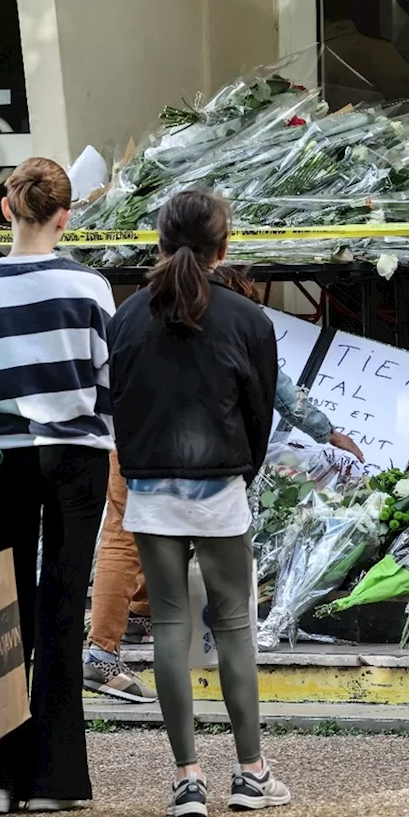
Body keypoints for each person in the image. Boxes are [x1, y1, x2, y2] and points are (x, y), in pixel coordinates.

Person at [83, 270, 363, 704]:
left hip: (132, 439)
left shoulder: (142, 307)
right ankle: (101, 651)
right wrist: (328, 433)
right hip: (197, 452)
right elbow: (281, 392)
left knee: (127, 534)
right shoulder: (235, 320)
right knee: (137, 539)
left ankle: (137, 615)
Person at [109, 189, 289, 817]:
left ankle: (187, 778)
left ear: (157, 243)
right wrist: (242, 467)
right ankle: (251, 771)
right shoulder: (249, 320)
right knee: (235, 625)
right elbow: (260, 411)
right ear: (224, 247)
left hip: (151, 488)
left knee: (168, 627)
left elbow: (119, 404)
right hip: (220, 487)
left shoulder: (126, 317)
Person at [0, 157, 114, 813]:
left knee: (1, 608)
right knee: (61, 605)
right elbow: (110, 380)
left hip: (3, 455)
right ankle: (58, 777)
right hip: (77, 453)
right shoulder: (92, 289)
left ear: (5, 209)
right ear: (65, 216)